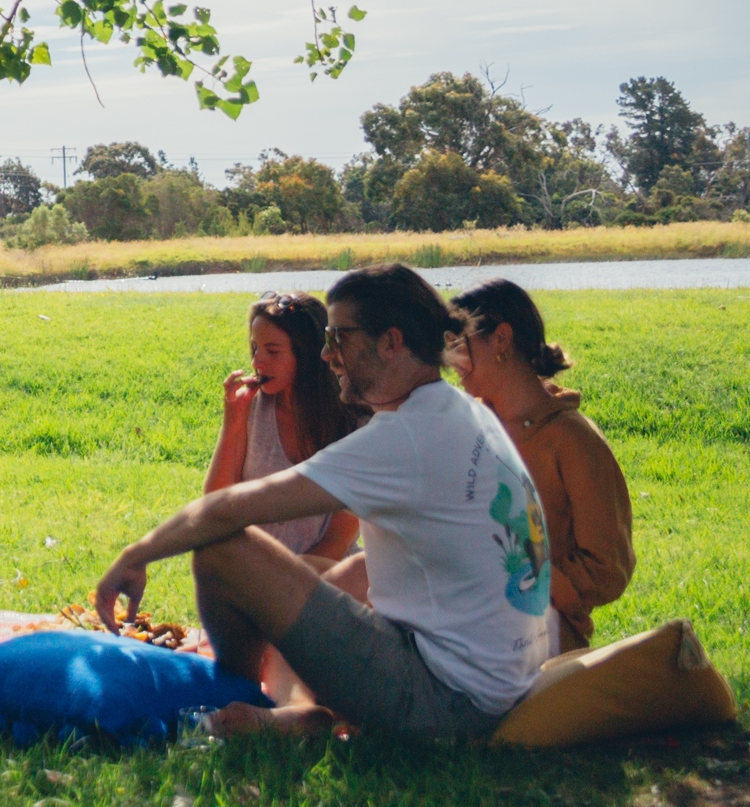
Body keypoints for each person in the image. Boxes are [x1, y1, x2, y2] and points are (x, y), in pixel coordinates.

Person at [92, 264, 554, 739]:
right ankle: (297, 713)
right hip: (504, 682)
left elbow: (227, 510)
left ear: (391, 342)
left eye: (339, 339)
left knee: (221, 548)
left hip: (450, 705)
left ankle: (241, 695)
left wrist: (136, 554)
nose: (327, 355)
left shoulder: (404, 437)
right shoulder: (461, 412)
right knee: (352, 572)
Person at [448, 278, 634, 651]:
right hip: (462, 612)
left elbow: (607, 567)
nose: (450, 361)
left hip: (543, 627)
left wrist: (522, 585)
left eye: (458, 346)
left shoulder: (572, 438)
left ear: (501, 339)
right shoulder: (468, 427)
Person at [202, 290, 365, 564]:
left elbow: (338, 540)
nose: (256, 362)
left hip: (329, 578)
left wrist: (282, 590)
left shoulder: (354, 422)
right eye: (255, 348)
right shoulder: (254, 407)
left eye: (273, 351)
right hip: (257, 572)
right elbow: (217, 505)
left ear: (309, 355)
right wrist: (233, 421)